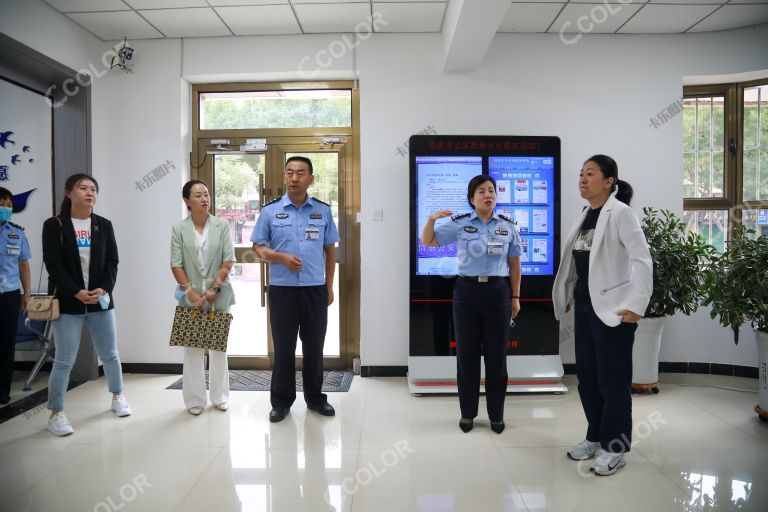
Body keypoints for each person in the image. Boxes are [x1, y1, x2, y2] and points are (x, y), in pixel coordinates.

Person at [552, 154, 652, 476]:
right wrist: (568, 295)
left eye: (590, 174)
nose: (583, 179)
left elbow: (642, 260)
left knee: (613, 382)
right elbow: (579, 266)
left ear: (609, 181)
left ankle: (616, 447)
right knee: (588, 379)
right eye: (581, 174)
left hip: (614, 312)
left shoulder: (621, 214)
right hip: (585, 308)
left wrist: (637, 304)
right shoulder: (584, 215)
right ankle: (595, 437)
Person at [420, 174, 522, 434]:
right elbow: (428, 241)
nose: (487, 195)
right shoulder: (460, 224)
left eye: (491, 191)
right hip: (466, 292)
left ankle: (496, 415)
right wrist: (432, 219)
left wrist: (515, 296)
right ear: (471, 199)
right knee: (466, 357)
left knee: (497, 357)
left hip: (498, 292)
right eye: (481, 191)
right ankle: (468, 414)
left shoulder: (508, 225)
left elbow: (514, 263)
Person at [252, 156, 339, 423]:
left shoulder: (323, 211)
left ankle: (315, 398)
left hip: (314, 289)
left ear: (310, 179)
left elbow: (330, 250)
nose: (294, 178)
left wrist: (329, 286)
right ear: (284, 177)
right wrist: (281, 258)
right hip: (282, 291)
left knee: (314, 348)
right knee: (284, 348)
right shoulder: (269, 211)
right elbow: (257, 248)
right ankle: (281, 402)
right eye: (289, 173)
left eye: (300, 173)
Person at [42, 174, 132, 436]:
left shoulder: (103, 225)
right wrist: (76, 292)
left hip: (100, 300)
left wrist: (103, 288)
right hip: (69, 302)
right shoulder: (55, 225)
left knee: (110, 354)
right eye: (83, 188)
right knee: (64, 360)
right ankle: (56, 413)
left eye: (93, 189)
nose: (89, 193)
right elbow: (53, 264)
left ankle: (118, 397)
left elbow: (112, 261)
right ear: (69, 193)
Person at [170, 180, 235, 415]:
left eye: (206, 194)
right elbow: (175, 264)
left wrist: (213, 289)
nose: (204, 198)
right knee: (192, 350)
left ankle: (220, 397)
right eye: (198, 195)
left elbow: (228, 259)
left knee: (219, 349)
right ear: (187, 201)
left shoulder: (222, 225)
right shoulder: (179, 228)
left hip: (219, 296)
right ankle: (195, 400)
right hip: (190, 297)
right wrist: (191, 292)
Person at [0, 187, 32, 405]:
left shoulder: (17, 232)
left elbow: (23, 264)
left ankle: (3, 391)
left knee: (5, 344)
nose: (6, 208)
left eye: (9, 205)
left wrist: (27, 294)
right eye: (2, 204)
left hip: (9, 295)